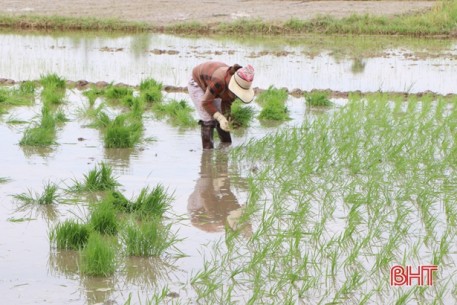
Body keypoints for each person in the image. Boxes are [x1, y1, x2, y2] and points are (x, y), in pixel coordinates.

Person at [188, 61, 255, 149]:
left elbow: (226, 102)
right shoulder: (219, 81)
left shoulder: (235, 84)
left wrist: (227, 118)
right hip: (197, 82)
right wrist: (220, 118)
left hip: (213, 84)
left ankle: (226, 145)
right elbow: (205, 102)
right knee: (208, 118)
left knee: (222, 116)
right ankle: (207, 153)